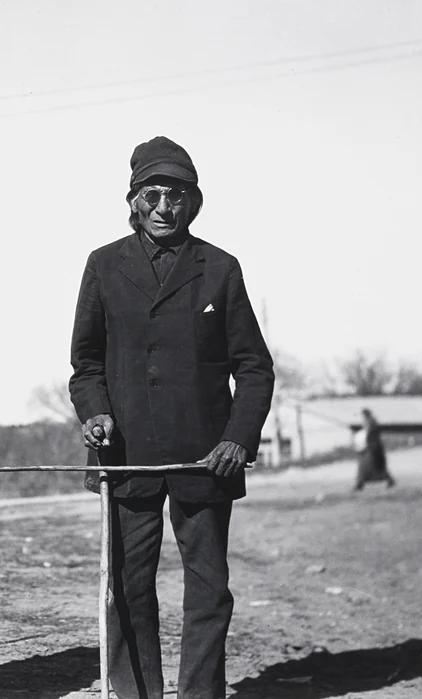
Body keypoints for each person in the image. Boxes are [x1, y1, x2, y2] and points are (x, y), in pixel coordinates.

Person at [69, 136, 275, 699]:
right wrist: (96, 414)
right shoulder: (104, 265)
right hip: (126, 455)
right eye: (153, 194)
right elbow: (84, 364)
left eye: (178, 196)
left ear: (194, 203)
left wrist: (237, 438)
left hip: (206, 458)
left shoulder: (221, 269)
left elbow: (254, 368)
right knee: (128, 587)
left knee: (209, 590)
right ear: (134, 201)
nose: (165, 207)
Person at [353, 408, 394, 490]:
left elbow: (369, 435)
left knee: (370, 467)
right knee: (374, 467)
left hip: (373, 449)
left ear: (366, 415)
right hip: (372, 448)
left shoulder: (371, 422)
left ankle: (360, 484)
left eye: (363, 415)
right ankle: (360, 484)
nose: (362, 418)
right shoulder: (371, 422)